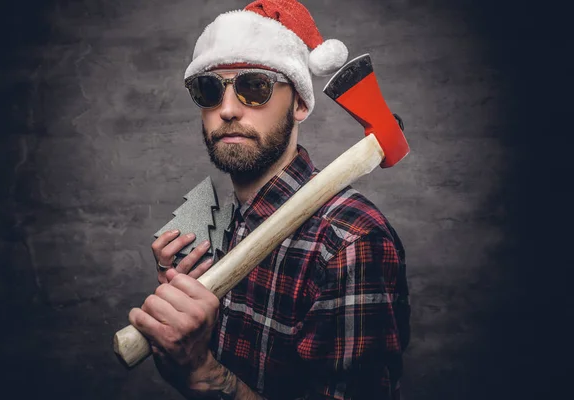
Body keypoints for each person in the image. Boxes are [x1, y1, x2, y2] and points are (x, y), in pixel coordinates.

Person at [128, 0, 410, 398]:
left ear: (298, 102)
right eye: (209, 88)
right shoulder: (221, 228)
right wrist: (177, 332)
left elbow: (204, 379)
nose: (226, 110)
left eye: (254, 86)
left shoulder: (351, 242)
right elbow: (190, 370)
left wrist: (208, 375)